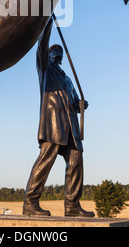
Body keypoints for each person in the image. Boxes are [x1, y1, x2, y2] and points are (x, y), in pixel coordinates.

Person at [22, 16, 94, 217]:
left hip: (71, 126)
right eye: (56, 51)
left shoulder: (68, 79)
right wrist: (47, 22)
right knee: (46, 158)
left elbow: (75, 103)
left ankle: (72, 205)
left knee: (76, 160)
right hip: (53, 124)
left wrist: (81, 105)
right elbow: (41, 45)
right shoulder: (45, 68)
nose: (58, 54)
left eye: (60, 52)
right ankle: (31, 202)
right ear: (50, 54)